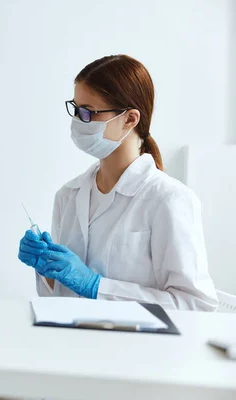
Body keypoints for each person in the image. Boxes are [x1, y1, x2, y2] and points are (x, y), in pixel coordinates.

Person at [18, 55, 217, 311]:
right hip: (70, 345)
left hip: (139, 349)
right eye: (76, 109)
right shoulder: (68, 196)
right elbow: (59, 302)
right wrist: (47, 269)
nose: (78, 122)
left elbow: (196, 305)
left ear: (130, 119)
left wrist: (96, 286)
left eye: (88, 112)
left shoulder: (169, 199)